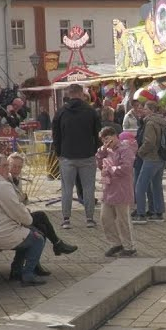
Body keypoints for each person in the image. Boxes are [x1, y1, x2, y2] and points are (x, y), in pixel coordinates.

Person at [0, 154, 48, 287]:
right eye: (5, 165)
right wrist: (28, 220)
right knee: (37, 239)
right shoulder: (1, 185)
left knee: (26, 234)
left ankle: (16, 271)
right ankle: (28, 275)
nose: (8, 168)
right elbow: (17, 210)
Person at [6, 152, 78, 262]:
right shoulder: (6, 180)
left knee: (42, 229)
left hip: (18, 215)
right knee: (41, 216)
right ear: (8, 166)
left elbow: (21, 202)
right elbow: (13, 203)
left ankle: (35, 265)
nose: (16, 169)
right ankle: (58, 244)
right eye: (13, 166)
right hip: (10, 219)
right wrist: (23, 199)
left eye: (19, 167)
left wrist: (24, 199)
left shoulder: (17, 179)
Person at [51, 83, 102, 229]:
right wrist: (94, 150)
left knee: (67, 188)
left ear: (68, 94)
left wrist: (59, 152)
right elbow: (97, 133)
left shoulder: (61, 112)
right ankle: (89, 219)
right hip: (87, 155)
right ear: (81, 94)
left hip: (67, 155)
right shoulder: (91, 111)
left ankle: (66, 219)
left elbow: (56, 135)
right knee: (88, 188)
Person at [96, 126, 137, 257]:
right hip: (108, 190)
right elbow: (99, 163)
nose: (106, 142)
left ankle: (129, 246)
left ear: (115, 136)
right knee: (105, 218)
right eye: (103, 140)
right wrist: (101, 152)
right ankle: (115, 243)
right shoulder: (106, 150)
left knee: (123, 220)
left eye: (107, 139)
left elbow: (126, 168)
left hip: (122, 189)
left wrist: (110, 169)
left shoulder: (125, 149)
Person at [133, 100, 166, 224]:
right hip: (161, 157)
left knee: (140, 185)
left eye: (146, 109)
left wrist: (139, 153)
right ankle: (158, 212)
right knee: (157, 185)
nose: (144, 111)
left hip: (151, 157)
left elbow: (149, 142)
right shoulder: (162, 122)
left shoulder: (150, 123)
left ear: (151, 110)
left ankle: (141, 214)